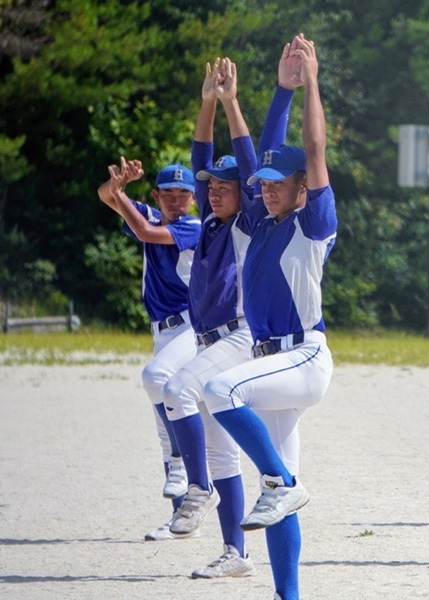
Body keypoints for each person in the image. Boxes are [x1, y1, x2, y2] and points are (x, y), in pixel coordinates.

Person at [203, 33, 336, 600]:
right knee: (277, 494)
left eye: (278, 184)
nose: (266, 189)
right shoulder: (259, 222)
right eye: (262, 185)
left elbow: (312, 148)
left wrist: (310, 85)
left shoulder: (313, 225)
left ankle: (282, 482)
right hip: (273, 362)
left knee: (219, 389)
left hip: (302, 355)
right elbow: (264, 150)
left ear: (302, 187)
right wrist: (278, 92)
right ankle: (290, 596)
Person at [160, 53, 292, 579]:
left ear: (248, 193)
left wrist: (233, 102)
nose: (212, 191)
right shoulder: (211, 221)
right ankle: (236, 554)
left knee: (175, 389)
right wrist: (206, 104)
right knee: (221, 457)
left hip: (238, 337)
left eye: (223, 186)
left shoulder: (247, 223)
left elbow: (242, 151)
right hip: (207, 340)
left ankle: (195, 489)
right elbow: (202, 153)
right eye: (209, 186)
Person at [97, 158, 201, 541]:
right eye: (168, 194)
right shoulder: (153, 215)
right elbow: (104, 196)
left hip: (192, 325)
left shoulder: (193, 226)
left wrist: (122, 194)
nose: (176, 201)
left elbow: (142, 231)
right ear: (156, 195)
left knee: (156, 378)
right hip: (162, 332)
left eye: (184, 195)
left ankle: (180, 463)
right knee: (164, 425)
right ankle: (179, 520)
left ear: (194, 199)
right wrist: (118, 185)